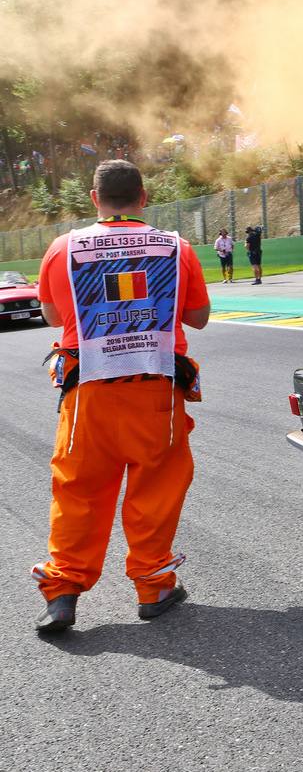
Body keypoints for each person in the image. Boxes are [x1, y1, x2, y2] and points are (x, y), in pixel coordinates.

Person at [32, 160, 210, 632]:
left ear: (94, 198)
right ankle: (153, 586)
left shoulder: (62, 248)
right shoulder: (176, 247)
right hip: (155, 388)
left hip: (88, 389)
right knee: (157, 487)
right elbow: (198, 316)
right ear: (143, 196)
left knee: (78, 489)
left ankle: (63, 593)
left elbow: (51, 316)